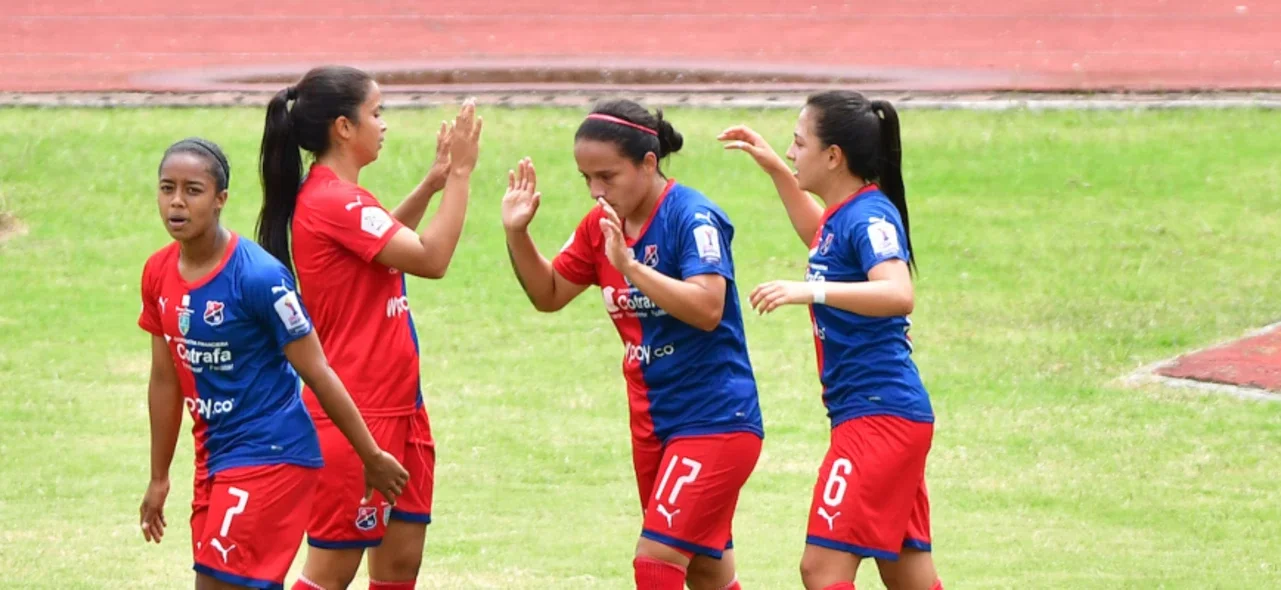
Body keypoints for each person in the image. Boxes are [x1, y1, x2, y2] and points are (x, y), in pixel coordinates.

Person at [501, 100, 763, 590]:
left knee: (656, 561)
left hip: (714, 420)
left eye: (607, 176)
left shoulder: (693, 217)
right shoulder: (599, 226)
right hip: (653, 424)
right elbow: (549, 293)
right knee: (706, 568)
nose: (597, 191)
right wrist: (518, 234)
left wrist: (631, 268)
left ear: (648, 163)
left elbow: (708, 307)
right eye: (586, 179)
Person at [138, 138, 409, 590]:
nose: (177, 202)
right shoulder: (157, 273)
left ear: (221, 199)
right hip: (215, 459)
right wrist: (159, 477)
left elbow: (317, 371)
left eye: (193, 190)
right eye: (167, 189)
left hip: (272, 455)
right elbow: (166, 380)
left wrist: (371, 455)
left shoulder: (260, 278)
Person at [255, 65, 482, 590]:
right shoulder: (335, 199)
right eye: (376, 113)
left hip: (401, 409)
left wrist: (432, 183)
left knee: (400, 566)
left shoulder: (342, 197)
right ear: (343, 128)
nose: (383, 125)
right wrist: (463, 176)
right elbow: (432, 257)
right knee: (332, 570)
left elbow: (381, 249)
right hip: (359, 415)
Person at [718, 91, 943, 590]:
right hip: (884, 415)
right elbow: (820, 238)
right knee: (907, 572)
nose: (793, 151)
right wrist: (778, 170)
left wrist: (807, 291)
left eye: (799, 143)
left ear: (834, 156)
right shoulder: (844, 217)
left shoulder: (870, 217)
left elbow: (898, 291)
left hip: (879, 416)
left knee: (820, 569)